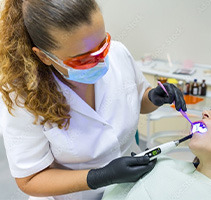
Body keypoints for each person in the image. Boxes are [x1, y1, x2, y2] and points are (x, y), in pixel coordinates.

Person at [0, 0, 186, 200]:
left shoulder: (118, 53)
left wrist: (152, 97)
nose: (100, 60)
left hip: (130, 188)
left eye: (102, 45)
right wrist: (100, 177)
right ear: (44, 57)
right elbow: (30, 179)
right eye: (82, 58)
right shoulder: (22, 96)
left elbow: (137, 100)